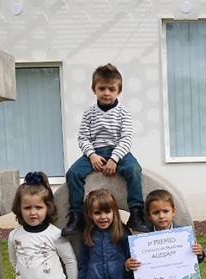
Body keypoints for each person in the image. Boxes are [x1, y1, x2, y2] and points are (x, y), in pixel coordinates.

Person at [62, 63, 147, 235]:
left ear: (118, 91)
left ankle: (137, 213)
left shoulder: (124, 112)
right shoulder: (89, 113)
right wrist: (92, 155)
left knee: (133, 169)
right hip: (95, 152)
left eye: (111, 89)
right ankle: (76, 216)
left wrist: (114, 159)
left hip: (119, 152)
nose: (106, 93)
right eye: (102, 88)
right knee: (73, 173)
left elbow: (126, 138)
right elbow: (83, 137)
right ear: (94, 89)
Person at [127, 189, 204, 279]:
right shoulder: (143, 241)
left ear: (173, 211)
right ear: (149, 216)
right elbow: (137, 265)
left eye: (165, 211)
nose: (161, 216)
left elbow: (194, 261)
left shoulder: (183, 235)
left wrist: (198, 253)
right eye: (156, 213)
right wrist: (129, 264)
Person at [76, 189, 137, 279]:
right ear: (90, 214)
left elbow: (132, 259)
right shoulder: (88, 235)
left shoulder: (122, 232)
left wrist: (128, 266)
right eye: (97, 213)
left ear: (114, 212)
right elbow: (83, 265)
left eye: (107, 212)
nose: (103, 217)